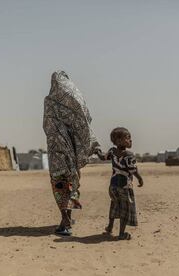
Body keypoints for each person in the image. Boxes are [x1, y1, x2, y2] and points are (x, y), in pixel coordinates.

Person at [43, 70, 99, 236]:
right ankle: (65, 220)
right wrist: (92, 145)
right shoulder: (76, 99)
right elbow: (85, 122)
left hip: (57, 155)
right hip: (71, 156)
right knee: (70, 185)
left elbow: (47, 125)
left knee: (60, 186)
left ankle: (66, 222)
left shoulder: (49, 101)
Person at [95, 127, 143, 240]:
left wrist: (97, 151)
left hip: (113, 186)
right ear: (119, 140)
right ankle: (121, 233)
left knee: (114, 205)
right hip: (125, 186)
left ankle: (110, 227)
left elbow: (103, 157)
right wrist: (140, 178)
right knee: (125, 209)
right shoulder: (129, 155)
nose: (130, 140)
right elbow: (132, 170)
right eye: (128, 138)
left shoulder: (112, 151)